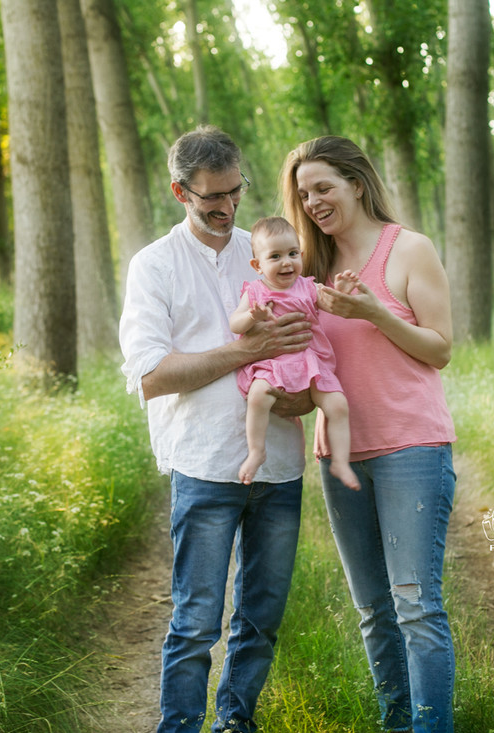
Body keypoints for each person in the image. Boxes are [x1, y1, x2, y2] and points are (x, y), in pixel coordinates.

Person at [119, 125, 313, 733]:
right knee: (196, 619)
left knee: (260, 616)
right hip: (204, 467)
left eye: (235, 191)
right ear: (181, 192)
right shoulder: (154, 266)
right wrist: (244, 351)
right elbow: (150, 375)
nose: (227, 207)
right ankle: (179, 727)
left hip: (280, 465)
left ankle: (236, 720)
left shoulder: (267, 253)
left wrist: (301, 397)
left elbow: (309, 355)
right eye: (211, 198)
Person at [280, 135, 458, 733]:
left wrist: (373, 313)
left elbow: (440, 349)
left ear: (357, 182)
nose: (313, 202)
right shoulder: (307, 270)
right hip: (343, 458)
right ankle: (396, 722)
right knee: (374, 610)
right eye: (304, 194)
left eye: (323, 187)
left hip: (412, 447)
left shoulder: (408, 250)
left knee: (415, 607)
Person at [229, 216, 360, 490]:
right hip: (274, 364)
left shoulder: (308, 286)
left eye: (292, 253)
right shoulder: (256, 292)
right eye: (275, 256)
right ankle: (256, 451)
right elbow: (235, 323)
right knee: (258, 398)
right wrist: (252, 316)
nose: (286, 262)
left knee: (338, 405)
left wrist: (343, 292)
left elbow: (333, 304)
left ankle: (341, 461)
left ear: (300, 254)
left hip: (311, 362)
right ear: (258, 265)